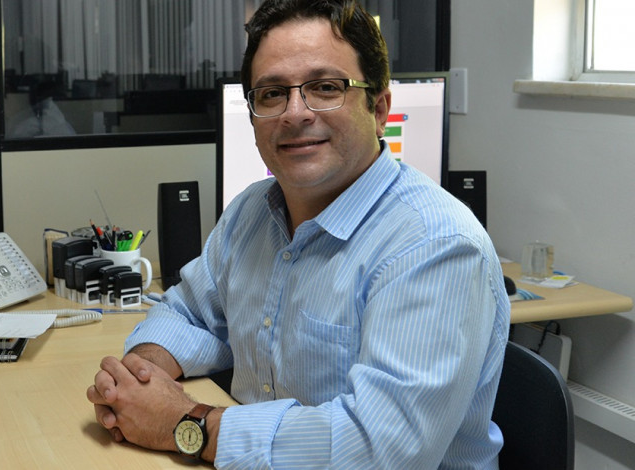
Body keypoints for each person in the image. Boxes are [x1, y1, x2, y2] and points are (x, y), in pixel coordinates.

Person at [87, 0, 510, 468]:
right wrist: (140, 378)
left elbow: (379, 448)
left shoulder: (434, 245)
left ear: (379, 109)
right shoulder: (251, 212)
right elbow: (191, 312)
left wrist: (184, 423)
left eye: (326, 87)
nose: (294, 113)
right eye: (272, 93)